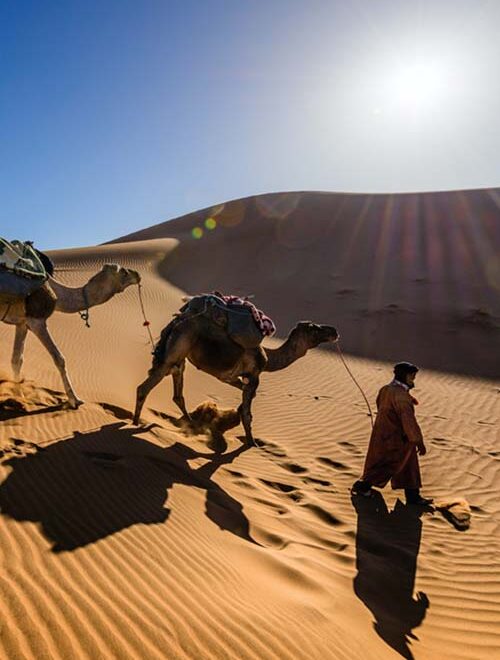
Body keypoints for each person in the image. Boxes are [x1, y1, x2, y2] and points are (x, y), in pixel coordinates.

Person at [352, 362, 433, 506]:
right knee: (387, 464)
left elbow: (380, 405)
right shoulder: (401, 396)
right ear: (405, 376)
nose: (413, 380)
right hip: (396, 439)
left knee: (408, 465)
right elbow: (408, 420)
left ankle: (413, 497)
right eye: (412, 376)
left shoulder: (386, 389)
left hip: (385, 434)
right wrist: (418, 441)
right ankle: (362, 487)